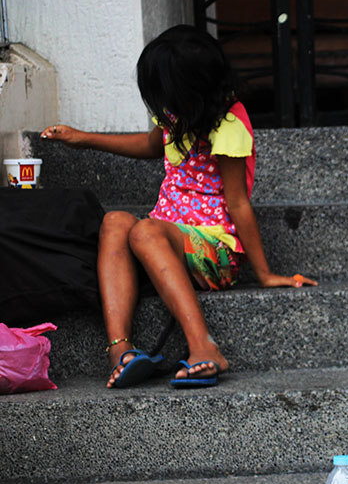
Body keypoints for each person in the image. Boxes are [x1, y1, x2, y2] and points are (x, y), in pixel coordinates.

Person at [41, 25, 317, 389]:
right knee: (115, 222)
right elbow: (151, 145)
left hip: (213, 250)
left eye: (165, 94)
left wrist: (264, 273)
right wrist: (84, 139)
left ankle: (204, 347)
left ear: (195, 90)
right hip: (164, 242)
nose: (160, 105)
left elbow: (238, 201)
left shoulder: (229, 122)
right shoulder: (177, 114)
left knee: (144, 230)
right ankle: (120, 350)